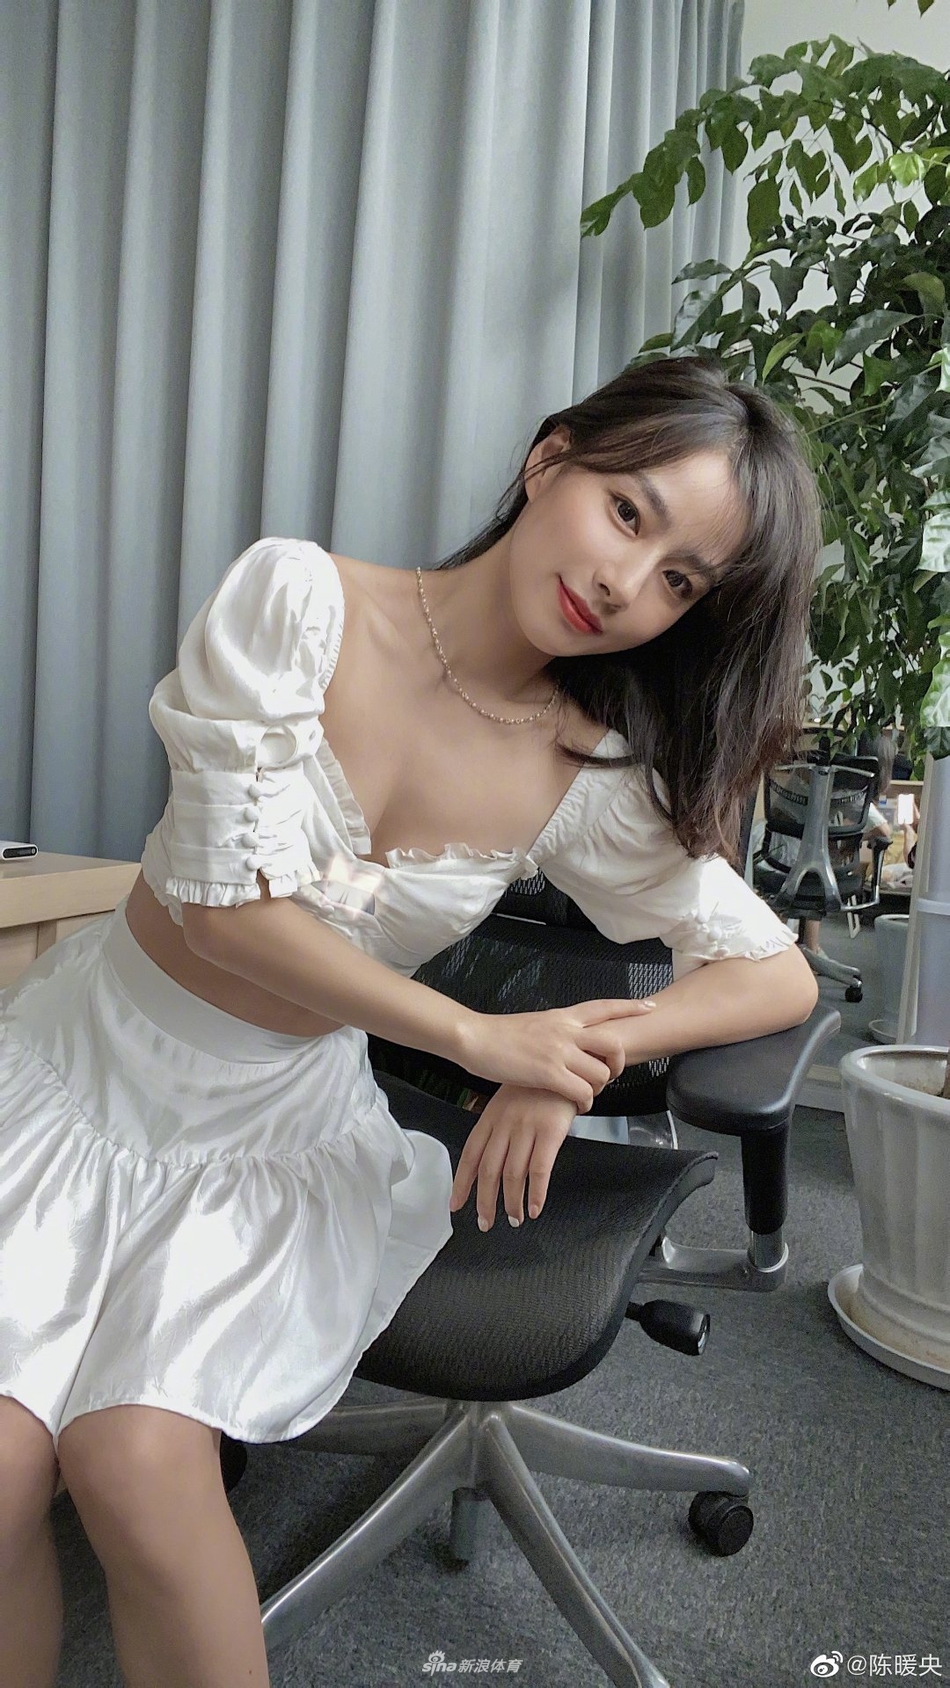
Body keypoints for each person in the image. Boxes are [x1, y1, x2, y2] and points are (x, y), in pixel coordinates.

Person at [0, 354, 821, 1686]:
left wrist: (578, 1053)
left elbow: (771, 973)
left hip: (265, 1133)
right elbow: (222, 915)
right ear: (550, 459)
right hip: (86, 1067)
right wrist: (481, 1040)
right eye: (627, 512)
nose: (626, 582)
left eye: (680, 581)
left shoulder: (584, 771)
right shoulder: (297, 601)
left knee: (137, 1466)